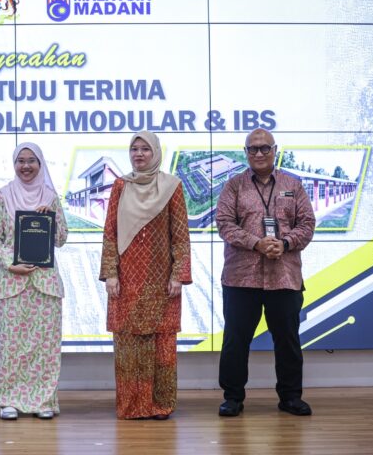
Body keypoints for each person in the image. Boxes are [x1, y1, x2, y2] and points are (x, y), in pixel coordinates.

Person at [215, 128, 316, 417]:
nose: (259, 153)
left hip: (284, 277)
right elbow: (224, 224)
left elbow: (307, 224)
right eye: (253, 149)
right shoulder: (233, 186)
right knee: (235, 341)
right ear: (245, 153)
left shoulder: (293, 185)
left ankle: (290, 397)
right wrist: (256, 243)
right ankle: (233, 397)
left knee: (287, 341)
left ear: (275, 150)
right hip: (240, 278)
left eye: (264, 148)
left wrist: (284, 243)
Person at [99, 130, 192, 420]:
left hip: (161, 280)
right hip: (126, 279)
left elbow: (180, 235)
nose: (139, 154)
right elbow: (110, 233)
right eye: (134, 149)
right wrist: (110, 274)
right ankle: (132, 406)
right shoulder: (120, 186)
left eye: (145, 149)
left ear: (155, 152)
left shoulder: (172, 187)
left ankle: (160, 405)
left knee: (161, 343)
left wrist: (178, 275)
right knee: (128, 344)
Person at [0, 142, 68, 420]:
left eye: (31, 160)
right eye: (20, 160)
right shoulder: (3, 195)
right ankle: (9, 400)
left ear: (40, 163)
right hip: (10, 283)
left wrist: (51, 218)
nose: (26, 166)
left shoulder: (51, 197)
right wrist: (11, 263)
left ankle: (43, 400)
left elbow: (61, 239)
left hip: (45, 285)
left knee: (45, 347)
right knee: (11, 346)